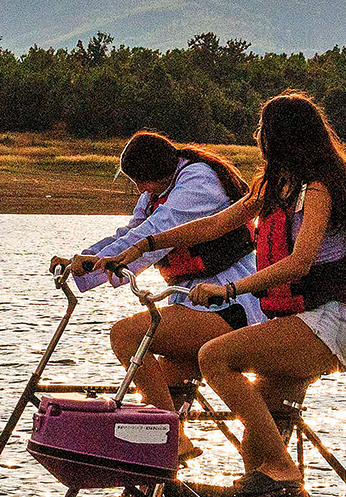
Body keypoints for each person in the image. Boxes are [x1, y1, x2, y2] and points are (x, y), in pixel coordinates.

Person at [106, 91, 346, 497]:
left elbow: (299, 262)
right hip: (294, 321)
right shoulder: (274, 187)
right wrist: (148, 243)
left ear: (282, 138)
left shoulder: (318, 190)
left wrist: (230, 290)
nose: (259, 141)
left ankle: (284, 469)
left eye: (264, 132)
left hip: (327, 323)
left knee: (214, 357)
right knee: (255, 448)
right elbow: (216, 224)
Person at [58, 132, 257, 409]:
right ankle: (169, 433)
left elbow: (158, 230)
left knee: (125, 336)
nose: (140, 189)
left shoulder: (198, 181)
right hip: (189, 299)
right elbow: (131, 232)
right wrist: (81, 261)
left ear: (156, 171)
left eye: (140, 180)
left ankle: (168, 430)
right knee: (162, 394)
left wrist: (100, 265)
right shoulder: (156, 192)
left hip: (229, 299)